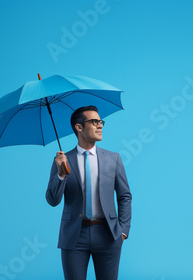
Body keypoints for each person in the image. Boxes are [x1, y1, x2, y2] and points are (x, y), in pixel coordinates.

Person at [46, 105, 132, 280]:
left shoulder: (113, 158)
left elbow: (124, 196)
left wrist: (123, 231)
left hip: (108, 234)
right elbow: (53, 199)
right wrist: (61, 174)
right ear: (79, 127)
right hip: (73, 236)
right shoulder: (62, 160)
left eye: (100, 122)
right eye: (94, 122)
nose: (100, 125)